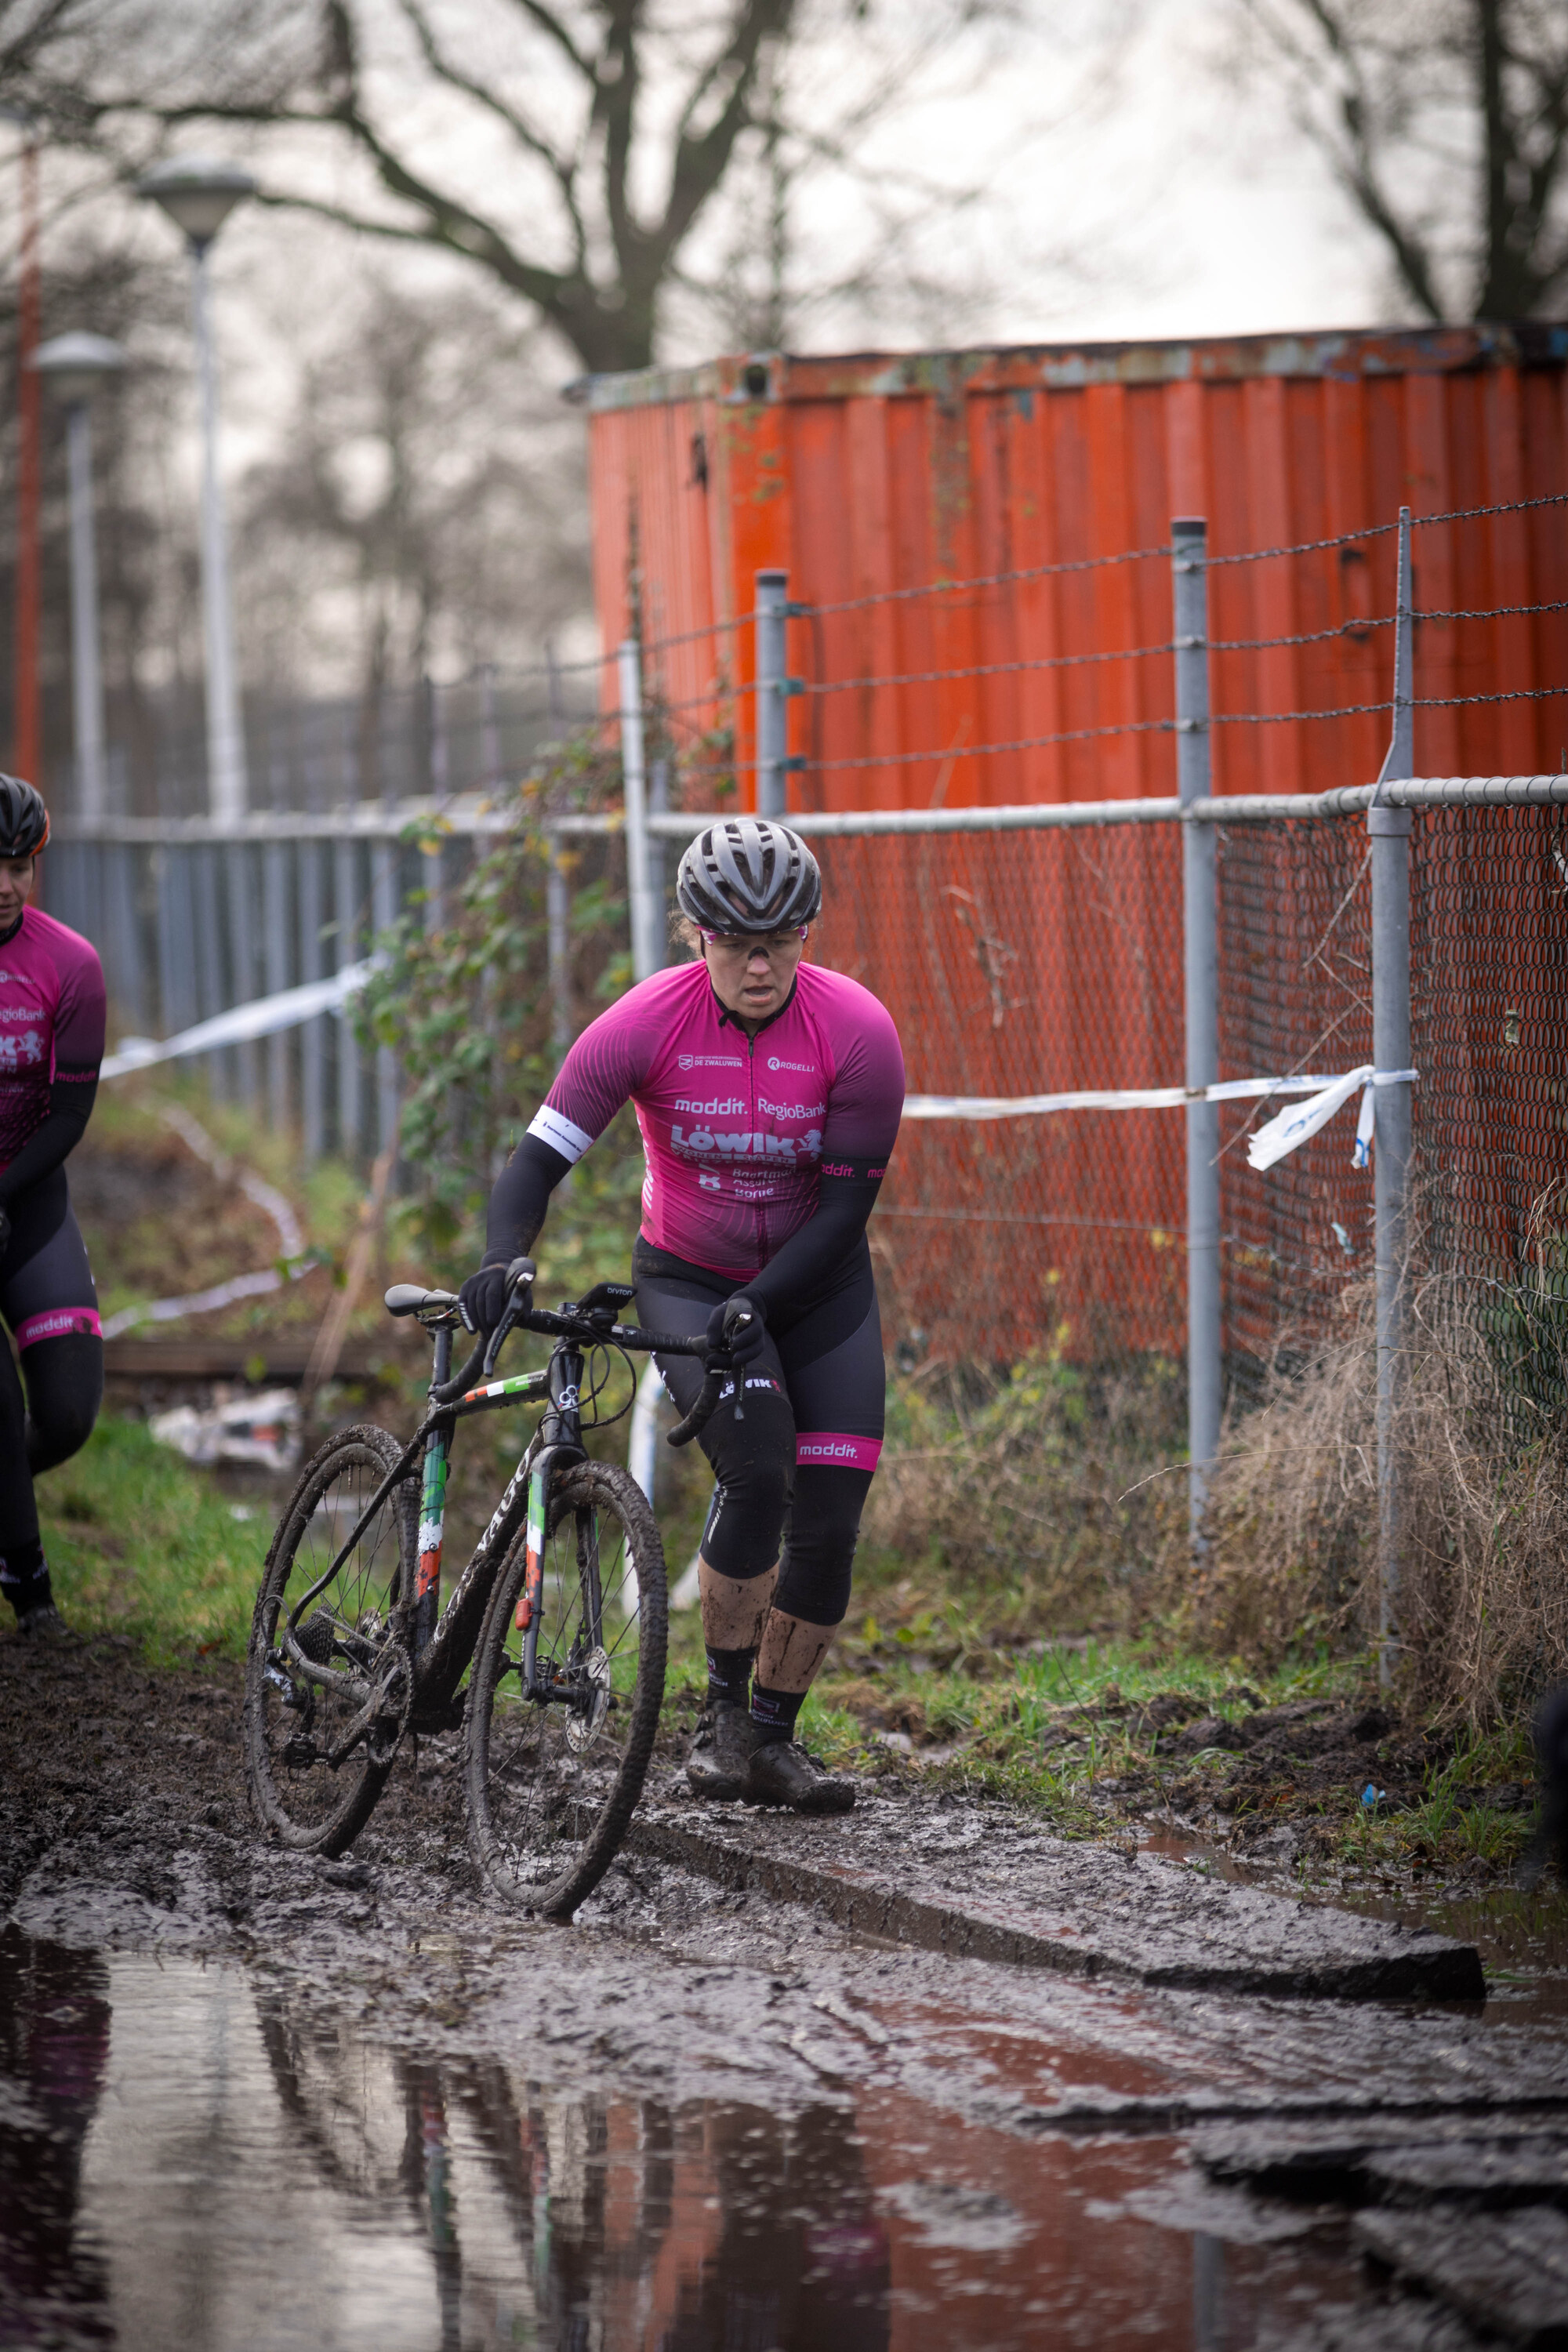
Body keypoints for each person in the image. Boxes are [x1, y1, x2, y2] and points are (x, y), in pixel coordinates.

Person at [460, 817, 904, 1815]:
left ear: (809, 932)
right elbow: (537, 1161)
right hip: (689, 1277)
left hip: (818, 1284)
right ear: (691, 934)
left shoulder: (858, 1032)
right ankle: (721, 1722)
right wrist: (501, 1259)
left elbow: (840, 1218)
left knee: (830, 1514)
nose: (758, 964)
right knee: (757, 1470)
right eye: (734, 942)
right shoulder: (642, 1023)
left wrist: (764, 1302)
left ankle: (776, 1744)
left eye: (780, 939)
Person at [0, 777, 106, 1639]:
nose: (2, 883)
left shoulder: (69, 965)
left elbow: (70, 1113)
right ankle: (29, 1581)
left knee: (66, 1416)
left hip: (27, 1199)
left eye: (16, 865)